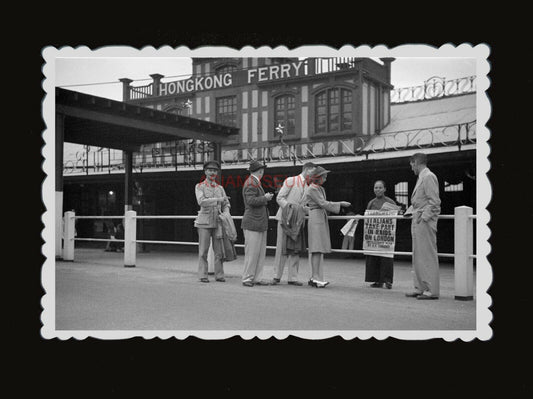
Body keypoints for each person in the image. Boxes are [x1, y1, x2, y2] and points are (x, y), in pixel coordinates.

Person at [304, 166, 351, 287]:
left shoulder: (318, 189)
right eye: (323, 176)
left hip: (319, 216)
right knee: (316, 248)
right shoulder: (313, 189)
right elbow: (322, 203)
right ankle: (315, 277)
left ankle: (316, 277)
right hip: (316, 217)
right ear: (318, 178)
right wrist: (340, 203)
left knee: (318, 248)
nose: (325, 178)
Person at [271, 162, 316, 286]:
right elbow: (280, 198)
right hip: (285, 219)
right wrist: (290, 209)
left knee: (295, 248)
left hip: (298, 221)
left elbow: (304, 205)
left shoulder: (309, 186)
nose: (313, 176)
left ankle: (293, 277)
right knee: (281, 247)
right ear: (306, 170)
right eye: (312, 173)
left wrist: (307, 210)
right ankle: (276, 276)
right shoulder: (291, 180)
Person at [405, 153, 442, 300]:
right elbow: (420, 201)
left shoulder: (428, 177)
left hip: (424, 221)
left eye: (411, 164)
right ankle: (420, 287)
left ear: (416, 162)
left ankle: (431, 290)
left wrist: (424, 218)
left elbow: (435, 202)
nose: (411, 168)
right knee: (418, 255)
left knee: (427, 255)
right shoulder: (422, 177)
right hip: (417, 219)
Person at [194, 160, 231, 283]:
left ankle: (219, 275)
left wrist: (226, 213)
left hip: (218, 222)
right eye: (210, 170)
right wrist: (218, 199)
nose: (212, 173)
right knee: (203, 250)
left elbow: (226, 203)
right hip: (204, 222)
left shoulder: (220, 188)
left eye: (215, 171)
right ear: (205, 172)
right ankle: (203, 275)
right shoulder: (200, 186)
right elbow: (201, 201)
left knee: (219, 250)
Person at [241, 160, 274, 287]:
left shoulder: (253, 181)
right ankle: (248, 278)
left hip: (256, 222)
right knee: (253, 253)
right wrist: (265, 198)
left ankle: (254, 278)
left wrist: (263, 198)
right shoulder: (252, 182)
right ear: (261, 171)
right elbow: (250, 201)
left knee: (257, 252)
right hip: (254, 222)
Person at [364, 180, 398, 289]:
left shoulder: (390, 202)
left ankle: (388, 281)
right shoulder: (371, 203)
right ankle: (377, 280)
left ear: (384, 189)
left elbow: (396, 216)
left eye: (380, 187)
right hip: (374, 235)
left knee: (386, 257)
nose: (377, 190)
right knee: (374, 256)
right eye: (375, 188)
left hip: (386, 235)